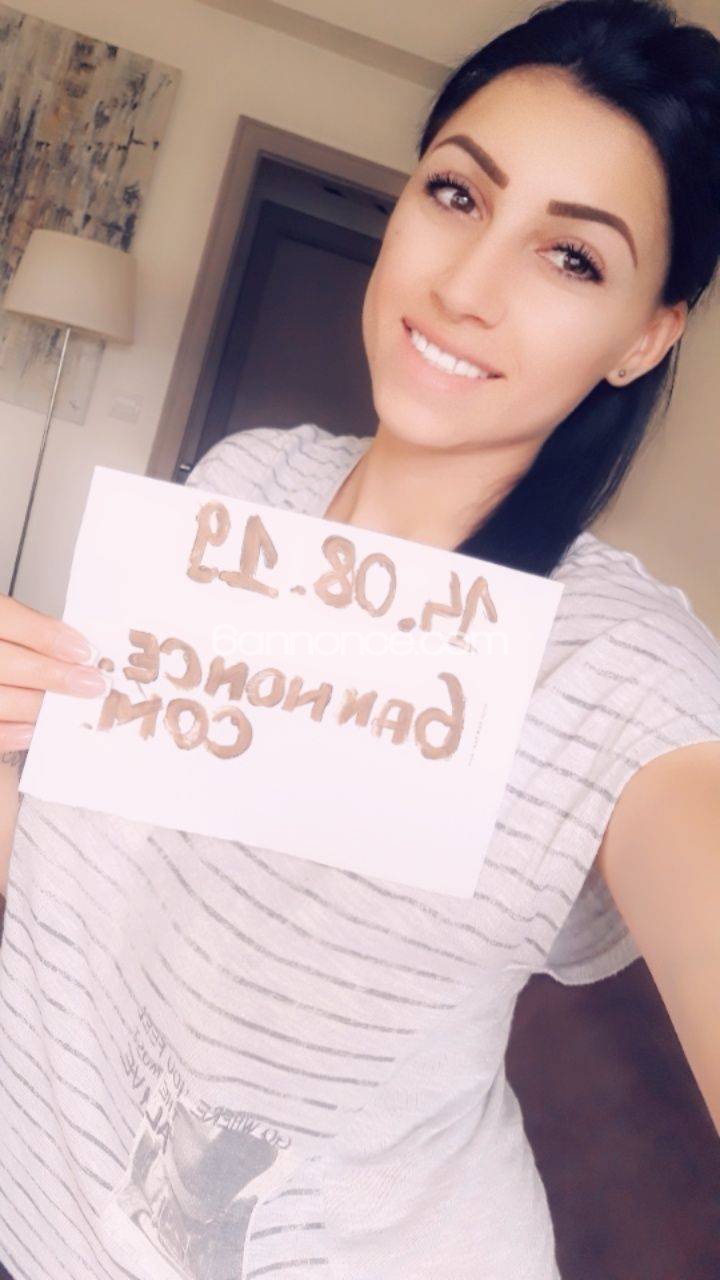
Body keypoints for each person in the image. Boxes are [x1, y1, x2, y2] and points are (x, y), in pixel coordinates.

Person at [0, 1, 719, 1276]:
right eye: (457, 193)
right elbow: (78, 899)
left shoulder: (615, 667)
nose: (466, 286)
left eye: (572, 258)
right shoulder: (244, 483)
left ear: (646, 335)